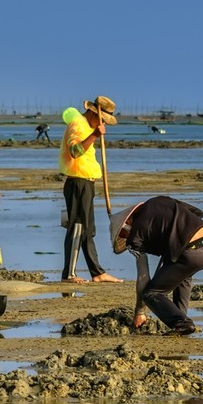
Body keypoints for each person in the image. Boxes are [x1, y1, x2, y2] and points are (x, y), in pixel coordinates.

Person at [109, 195, 203, 335]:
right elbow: (197, 213)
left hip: (192, 254)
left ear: (126, 226)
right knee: (182, 275)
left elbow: (143, 277)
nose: (126, 239)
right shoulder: (160, 200)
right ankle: (180, 318)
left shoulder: (135, 238)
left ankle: (182, 323)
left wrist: (139, 312)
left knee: (151, 293)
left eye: (124, 236)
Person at [58, 96, 123, 283]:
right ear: (95, 113)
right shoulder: (78, 125)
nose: (104, 123)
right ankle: (69, 274)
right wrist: (95, 135)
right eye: (103, 119)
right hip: (77, 183)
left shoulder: (87, 126)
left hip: (86, 183)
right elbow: (74, 151)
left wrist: (94, 132)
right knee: (77, 227)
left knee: (87, 229)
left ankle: (97, 272)